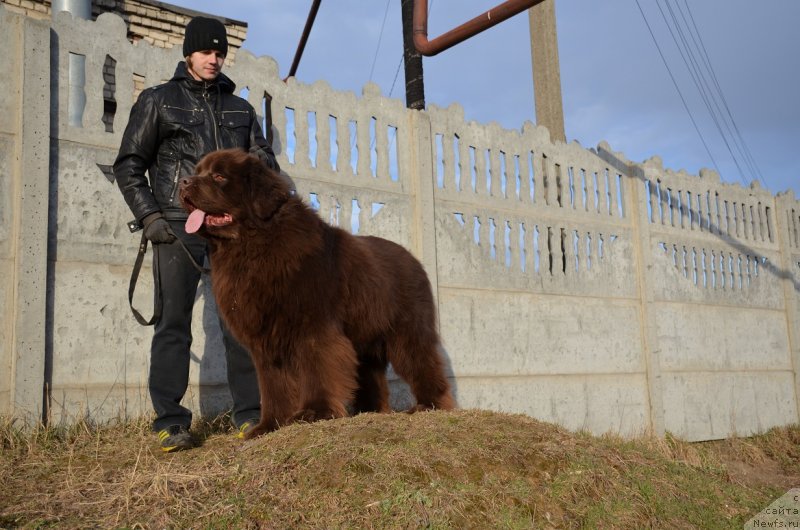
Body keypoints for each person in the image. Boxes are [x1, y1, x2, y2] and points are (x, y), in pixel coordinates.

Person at [114, 16, 283, 452]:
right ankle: (171, 422)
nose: (214, 58)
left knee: (239, 324)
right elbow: (129, 164)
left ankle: (250, 415)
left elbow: (264, 169)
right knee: (173, 322)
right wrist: (150, 216)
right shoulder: (158, 100)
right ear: (188, 52)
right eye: (206, 51)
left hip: (231, 229)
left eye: (220, 52)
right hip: (177, 223)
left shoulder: (241, 110)